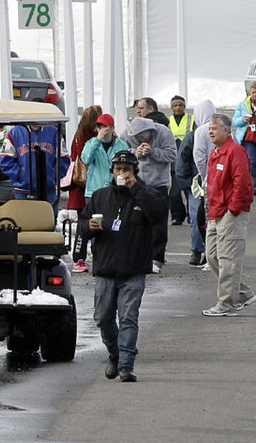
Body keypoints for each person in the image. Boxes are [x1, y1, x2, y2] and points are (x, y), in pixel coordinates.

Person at [77, 150, 166, 383]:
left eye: (127, 169)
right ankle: (115, 353)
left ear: (134, 171)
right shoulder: (100, 196)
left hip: (134, 269)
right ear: (112, 171)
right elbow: (82, 225)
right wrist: (90, 228)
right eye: (118, 169)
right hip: (105, 269)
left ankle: (126, 365)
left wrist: (136, 187)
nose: (122, 173)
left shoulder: (146, 195)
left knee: (128, 318)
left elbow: (158, 215)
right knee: (103, 318)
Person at [202, 113, 256, 317]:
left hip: (230, 213)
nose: (211, 132)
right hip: (215, 212)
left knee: (228, 259)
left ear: (227, 130)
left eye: (214, 128)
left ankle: (227, 304)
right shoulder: (215, 153)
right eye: (209, 129)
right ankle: (242, 293)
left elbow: (242, 182)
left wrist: (233, 209)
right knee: (212, 256)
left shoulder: (236, 152)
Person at [125, 117, 177, 274]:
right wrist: (135, 153)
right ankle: (136, 255)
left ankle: (157, 258)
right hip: (137, 183)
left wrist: (153, 151)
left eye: (145, 136)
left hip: (159, 183)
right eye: (138, 138)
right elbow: (121, 155)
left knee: (159, 222)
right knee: (134, 219)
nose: (142, 139)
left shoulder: (164, 133)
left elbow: (172, 155)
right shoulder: (125, 135)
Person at [66, 106, 102, 273]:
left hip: (79, 188)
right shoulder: (91, 138)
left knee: (84, 224)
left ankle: (79, 258)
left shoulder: (78, 135)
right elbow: (87, 159)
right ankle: (85, 257)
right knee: (91, 224)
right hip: (87, 185)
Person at [0, 122, 65, 206]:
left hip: (48, 191)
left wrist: (53, 175)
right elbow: (5, 160)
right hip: (22, 191)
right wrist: (20, 174)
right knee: (24, 218)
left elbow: (64, 158)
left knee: (49, 218)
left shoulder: (54, 132)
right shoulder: (15, 133)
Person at [186, 100, 218, 267]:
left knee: (203, 219)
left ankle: (208, 254)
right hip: (222, 181)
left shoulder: (200, 131)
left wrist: (205, 176)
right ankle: (213, 254)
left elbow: (198, 156)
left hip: (208, 182)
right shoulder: (221, 127)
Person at [82, 113, 132, 203]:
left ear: (112, 128)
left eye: (105, 127)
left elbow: (127, 166)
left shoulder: (122, 145)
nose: (102, 130)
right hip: (94, 191)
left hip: (115, 190)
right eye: (99, 127)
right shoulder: (90, 143)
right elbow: (86, 160)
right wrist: (97, 140)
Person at [168, 95, 193, 225]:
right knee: (174, 193)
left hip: (187, 158)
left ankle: (191, 214)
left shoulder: (191, 119)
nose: (178, 108)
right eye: (175, 105)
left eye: (180, 105)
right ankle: (177, 216)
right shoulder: (168, 121)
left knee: (189, 190)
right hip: (173, 161)